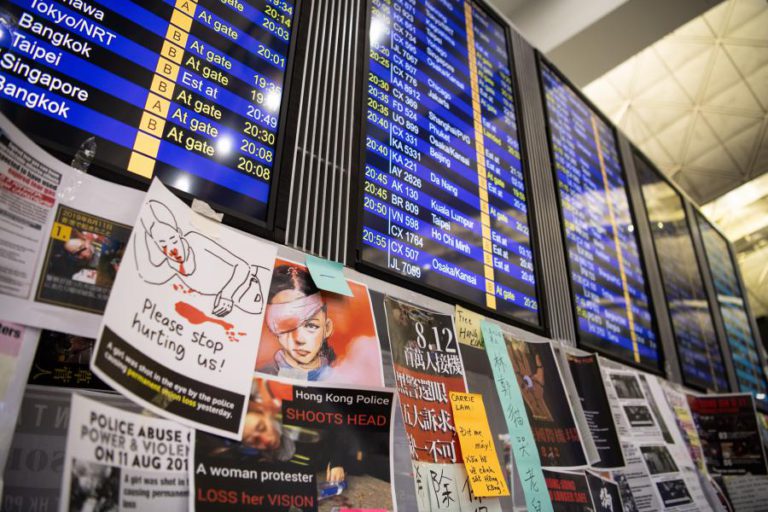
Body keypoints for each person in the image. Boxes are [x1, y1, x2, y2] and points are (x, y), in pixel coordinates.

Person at [134, 200, 265, 317]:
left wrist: (227, 295)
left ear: (179, 233)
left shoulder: (195, 240)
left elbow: (242, 266)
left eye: (173, 240)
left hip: (251, 282)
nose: (173, 250)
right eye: (163, 244)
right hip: (240, 304)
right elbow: (147, 274)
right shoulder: (172, 266)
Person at [258, 265, 335, 380]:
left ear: (327, 328)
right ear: (274, 329)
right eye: (287, 326)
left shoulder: (341, 377)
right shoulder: (262, 378)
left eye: (311, 326)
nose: (299, 339)